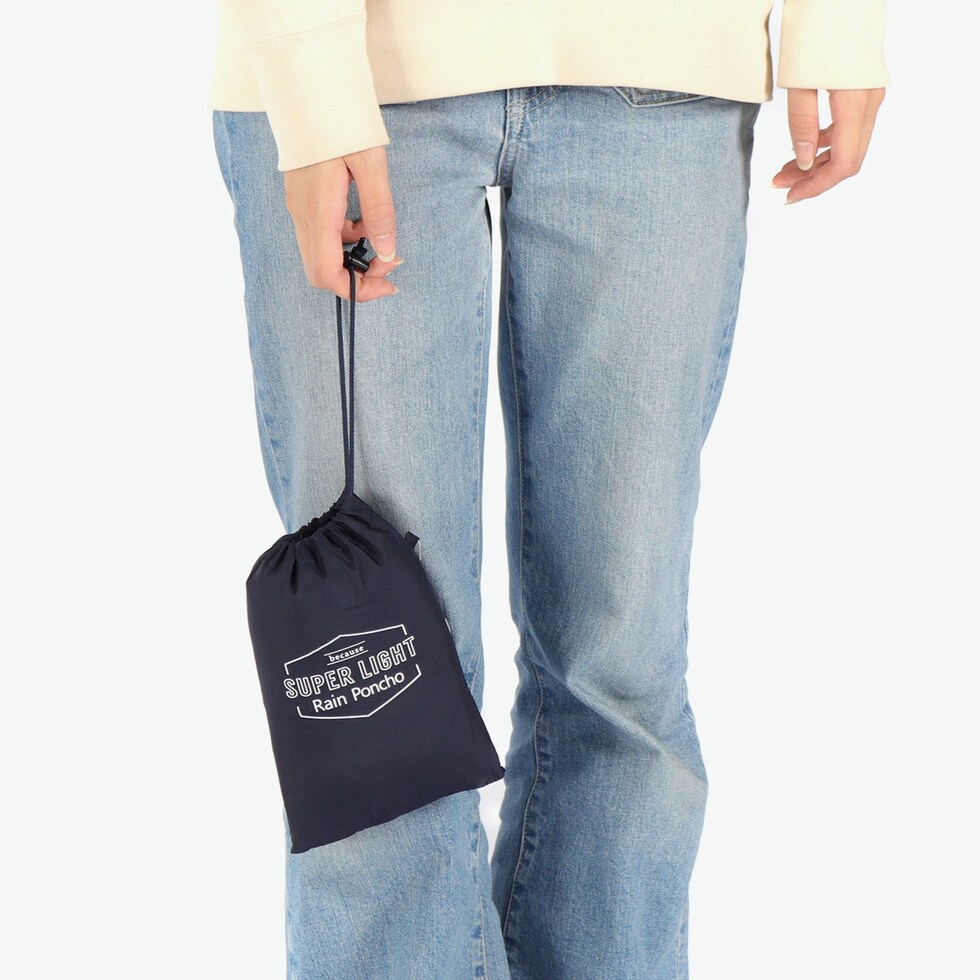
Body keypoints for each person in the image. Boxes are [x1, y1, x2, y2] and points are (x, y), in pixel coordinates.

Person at [210, 1, 889, 976]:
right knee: (372, 681)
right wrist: (310, 79)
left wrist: (841, 20)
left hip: (667, 62)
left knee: (621, 670)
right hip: (355, 68)